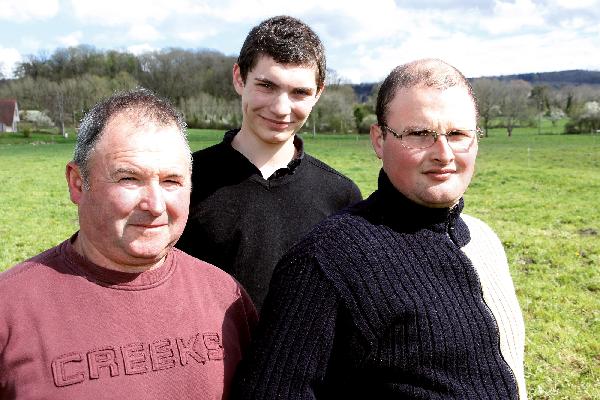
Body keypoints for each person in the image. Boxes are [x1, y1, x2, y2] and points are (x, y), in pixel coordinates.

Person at [231, 59, 527, 399]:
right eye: (419, 134)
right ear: (379, 140)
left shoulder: (484, 240)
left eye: (458, 134)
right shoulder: (325, 262)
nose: (443, 154)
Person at [0, 88, 257, 399]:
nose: (155, 204)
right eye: (129, 179)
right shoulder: (10, 310)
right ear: (78, 183)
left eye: (171, 181)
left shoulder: (226, 298)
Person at [176, 15, 362, 311]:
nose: (280, 108)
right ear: (239, 78)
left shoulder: (341, 196)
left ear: (319, 93)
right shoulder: (182, 182)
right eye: (266, 85)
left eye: (299, 92)